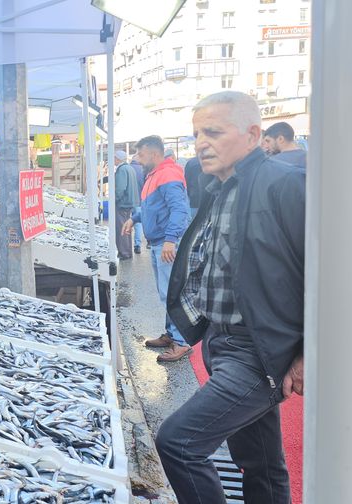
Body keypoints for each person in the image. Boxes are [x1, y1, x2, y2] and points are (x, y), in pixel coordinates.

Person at [159, 90, 305, 504]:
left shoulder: (286, 184)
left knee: (178, 443)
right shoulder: (217, 188)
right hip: (222, 342)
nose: (200, 142)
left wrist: (307, 351)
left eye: (213, 132)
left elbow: (327, 272)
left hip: (258, 351)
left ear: (253, 134)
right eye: (196, 134)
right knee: (259, 461)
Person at [122, 135, 191, 362]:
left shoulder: (168, 174)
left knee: (172, 293)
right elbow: (151, 207)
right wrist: (135, 218)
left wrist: (170, 240)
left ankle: (181, 342)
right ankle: (172, 334)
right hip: (159, 242)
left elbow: (179, 210)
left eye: (141, 155)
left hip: (166, 243)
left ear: (153, 153)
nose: (138, 159)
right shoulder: (154, 175)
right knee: (166, 292)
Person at [113, 151, 139, 260]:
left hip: (123, 203)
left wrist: (115, 199)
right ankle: (127, 252)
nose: (113, 160)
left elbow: (120, 188)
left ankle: (124, 253)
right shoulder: (130, 168)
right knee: (127, 227)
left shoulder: (122, 169)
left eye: (114, 158)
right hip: (130, 202)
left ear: (118, 159)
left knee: (122, 228)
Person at [130, 157, 145, 254]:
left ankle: (126, 247)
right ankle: (137, 245)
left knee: (126, 222)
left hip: (127, 201)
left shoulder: (127, 168)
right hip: (140, 200)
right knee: (138, 223)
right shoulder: (143, 170)